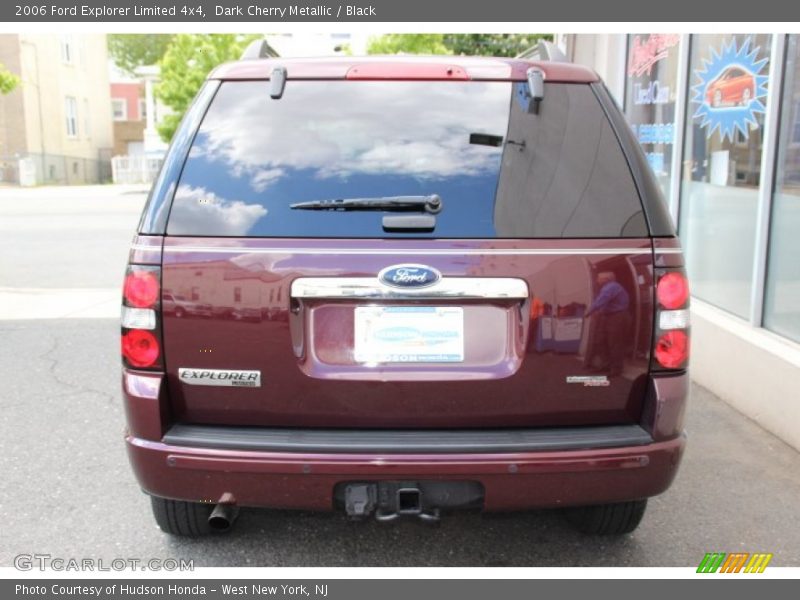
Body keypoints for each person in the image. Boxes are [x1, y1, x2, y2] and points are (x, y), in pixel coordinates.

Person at [585, 271, 631, 377]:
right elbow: (605, 303)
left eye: (599, 278)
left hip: (617, 317)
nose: (597, 280)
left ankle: (616, 369)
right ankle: (606, 365)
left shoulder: (611, 287)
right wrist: (600, 312)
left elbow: (602, 300)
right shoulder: (607, 288)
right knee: (602, 341)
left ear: (606, 279)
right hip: (610, 317)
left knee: (615, 343)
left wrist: (589, 312)